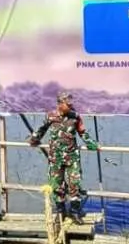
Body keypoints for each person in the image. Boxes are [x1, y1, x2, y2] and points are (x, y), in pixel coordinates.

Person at [28, 91, 98, 220]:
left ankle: (75, 212)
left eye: (71, 105)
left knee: (75, 184)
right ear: (60, 104)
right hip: (56, 158)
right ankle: (60, 211)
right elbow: (41, 129)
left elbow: (82, 133)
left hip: (72, 156)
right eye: (67, 104)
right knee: (56, 184)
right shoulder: (51, 116)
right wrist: (34, 140)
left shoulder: (75, 117)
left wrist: (92, 144)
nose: (70, 107)